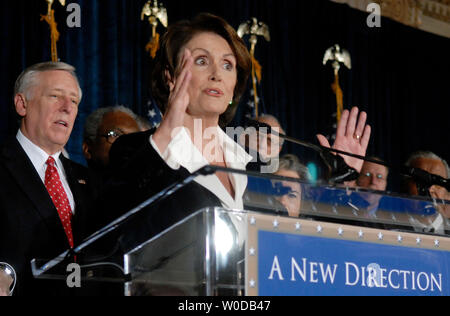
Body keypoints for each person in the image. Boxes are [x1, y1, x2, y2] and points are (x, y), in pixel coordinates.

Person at [103, 13, 371, 252]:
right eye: (201, 60)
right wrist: (166, 135)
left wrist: (344, 185)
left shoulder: (254, 167)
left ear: (233, 88)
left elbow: (296, 249)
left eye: (227, 65)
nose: (217, 73)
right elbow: (115, 236)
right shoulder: (134, 151)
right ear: (170, 76)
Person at [0, 62, 97, 295]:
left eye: (74, 101)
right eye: (55, 96)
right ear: (22, 104)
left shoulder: (89, 180)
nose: (67, 108)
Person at [82, 106, 140, 175]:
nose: (128, 144)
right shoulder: (71, 184)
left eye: (134, 138)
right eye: (115, 135)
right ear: (88, 149)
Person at [403, 151, 450, 233]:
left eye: (437, 183)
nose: (430, 189)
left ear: (447, 194)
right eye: (421, 181)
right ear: (406, 185)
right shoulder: (384, 226)